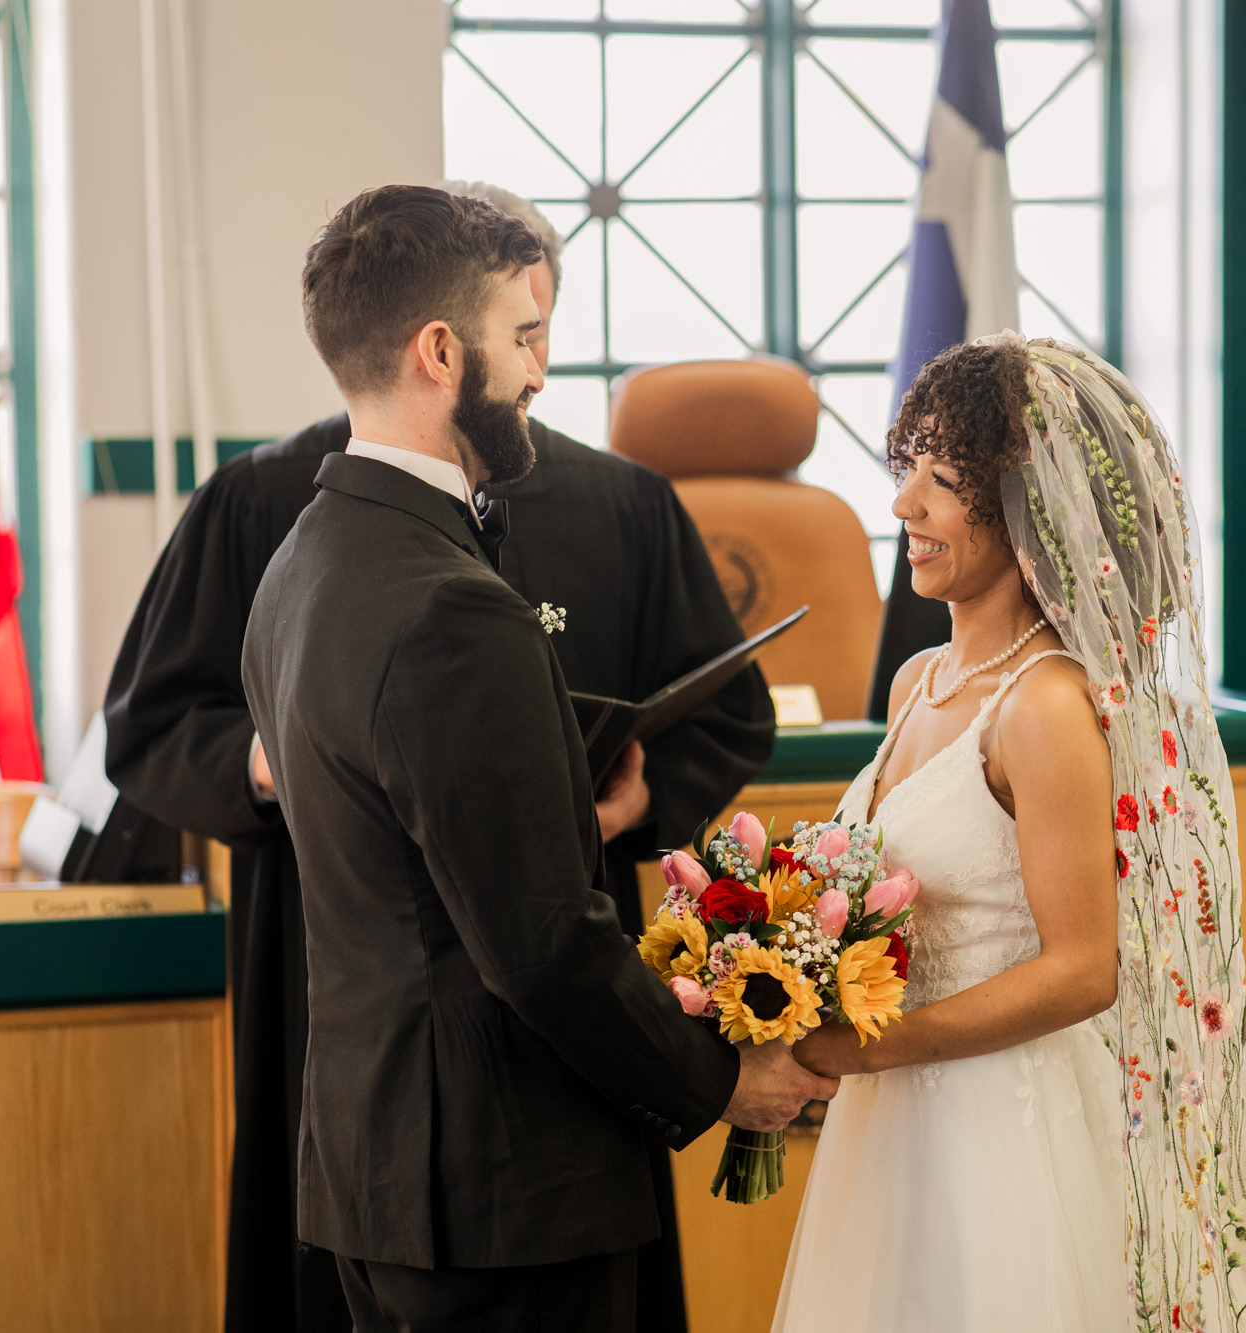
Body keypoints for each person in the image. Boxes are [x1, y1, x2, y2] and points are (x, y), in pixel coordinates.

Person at [102, 183, 775, 1333]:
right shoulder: (439, 599)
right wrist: (724, 1079)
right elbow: (538, 949)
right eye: (520, 337)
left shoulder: (310, 552)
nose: (538, 371)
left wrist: (620, 803)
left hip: (383, 1160)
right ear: (438, 348)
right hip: (500, 1166)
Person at [772, 335, 1246, 1332]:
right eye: (903, 469)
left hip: (1003, 1130)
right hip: (894, 1132)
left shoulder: (1043, 704)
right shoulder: (917, 680)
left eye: (942, 479)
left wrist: (875, 1049)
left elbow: (1081, 969)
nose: (903, 508)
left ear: (1030, 508)